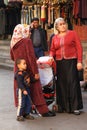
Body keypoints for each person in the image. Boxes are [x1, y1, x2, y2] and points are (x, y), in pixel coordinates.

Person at [10, 24, 55, 117]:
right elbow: (31, 57)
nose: (30, 33)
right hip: (29, 68)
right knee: (36, 90)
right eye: (28, 31)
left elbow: (12, 57)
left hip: (18, 69)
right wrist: (35, 72)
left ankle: (24, 112)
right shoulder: (27, 41)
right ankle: (43, 110)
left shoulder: (13, 42)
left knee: (22, 90)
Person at [49, 17, 83, 115]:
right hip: (60, 63)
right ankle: (63, 106)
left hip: (71, 61)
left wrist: (79, 61)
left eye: (64, 23)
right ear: (57, 27)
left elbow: (79, 47)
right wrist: (51, 56)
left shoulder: (73, 34)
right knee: (61, 84)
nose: (63, 25)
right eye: (60, 24)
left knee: (72, 83)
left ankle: (75, 107)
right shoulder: (54, 37)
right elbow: (52, 50)